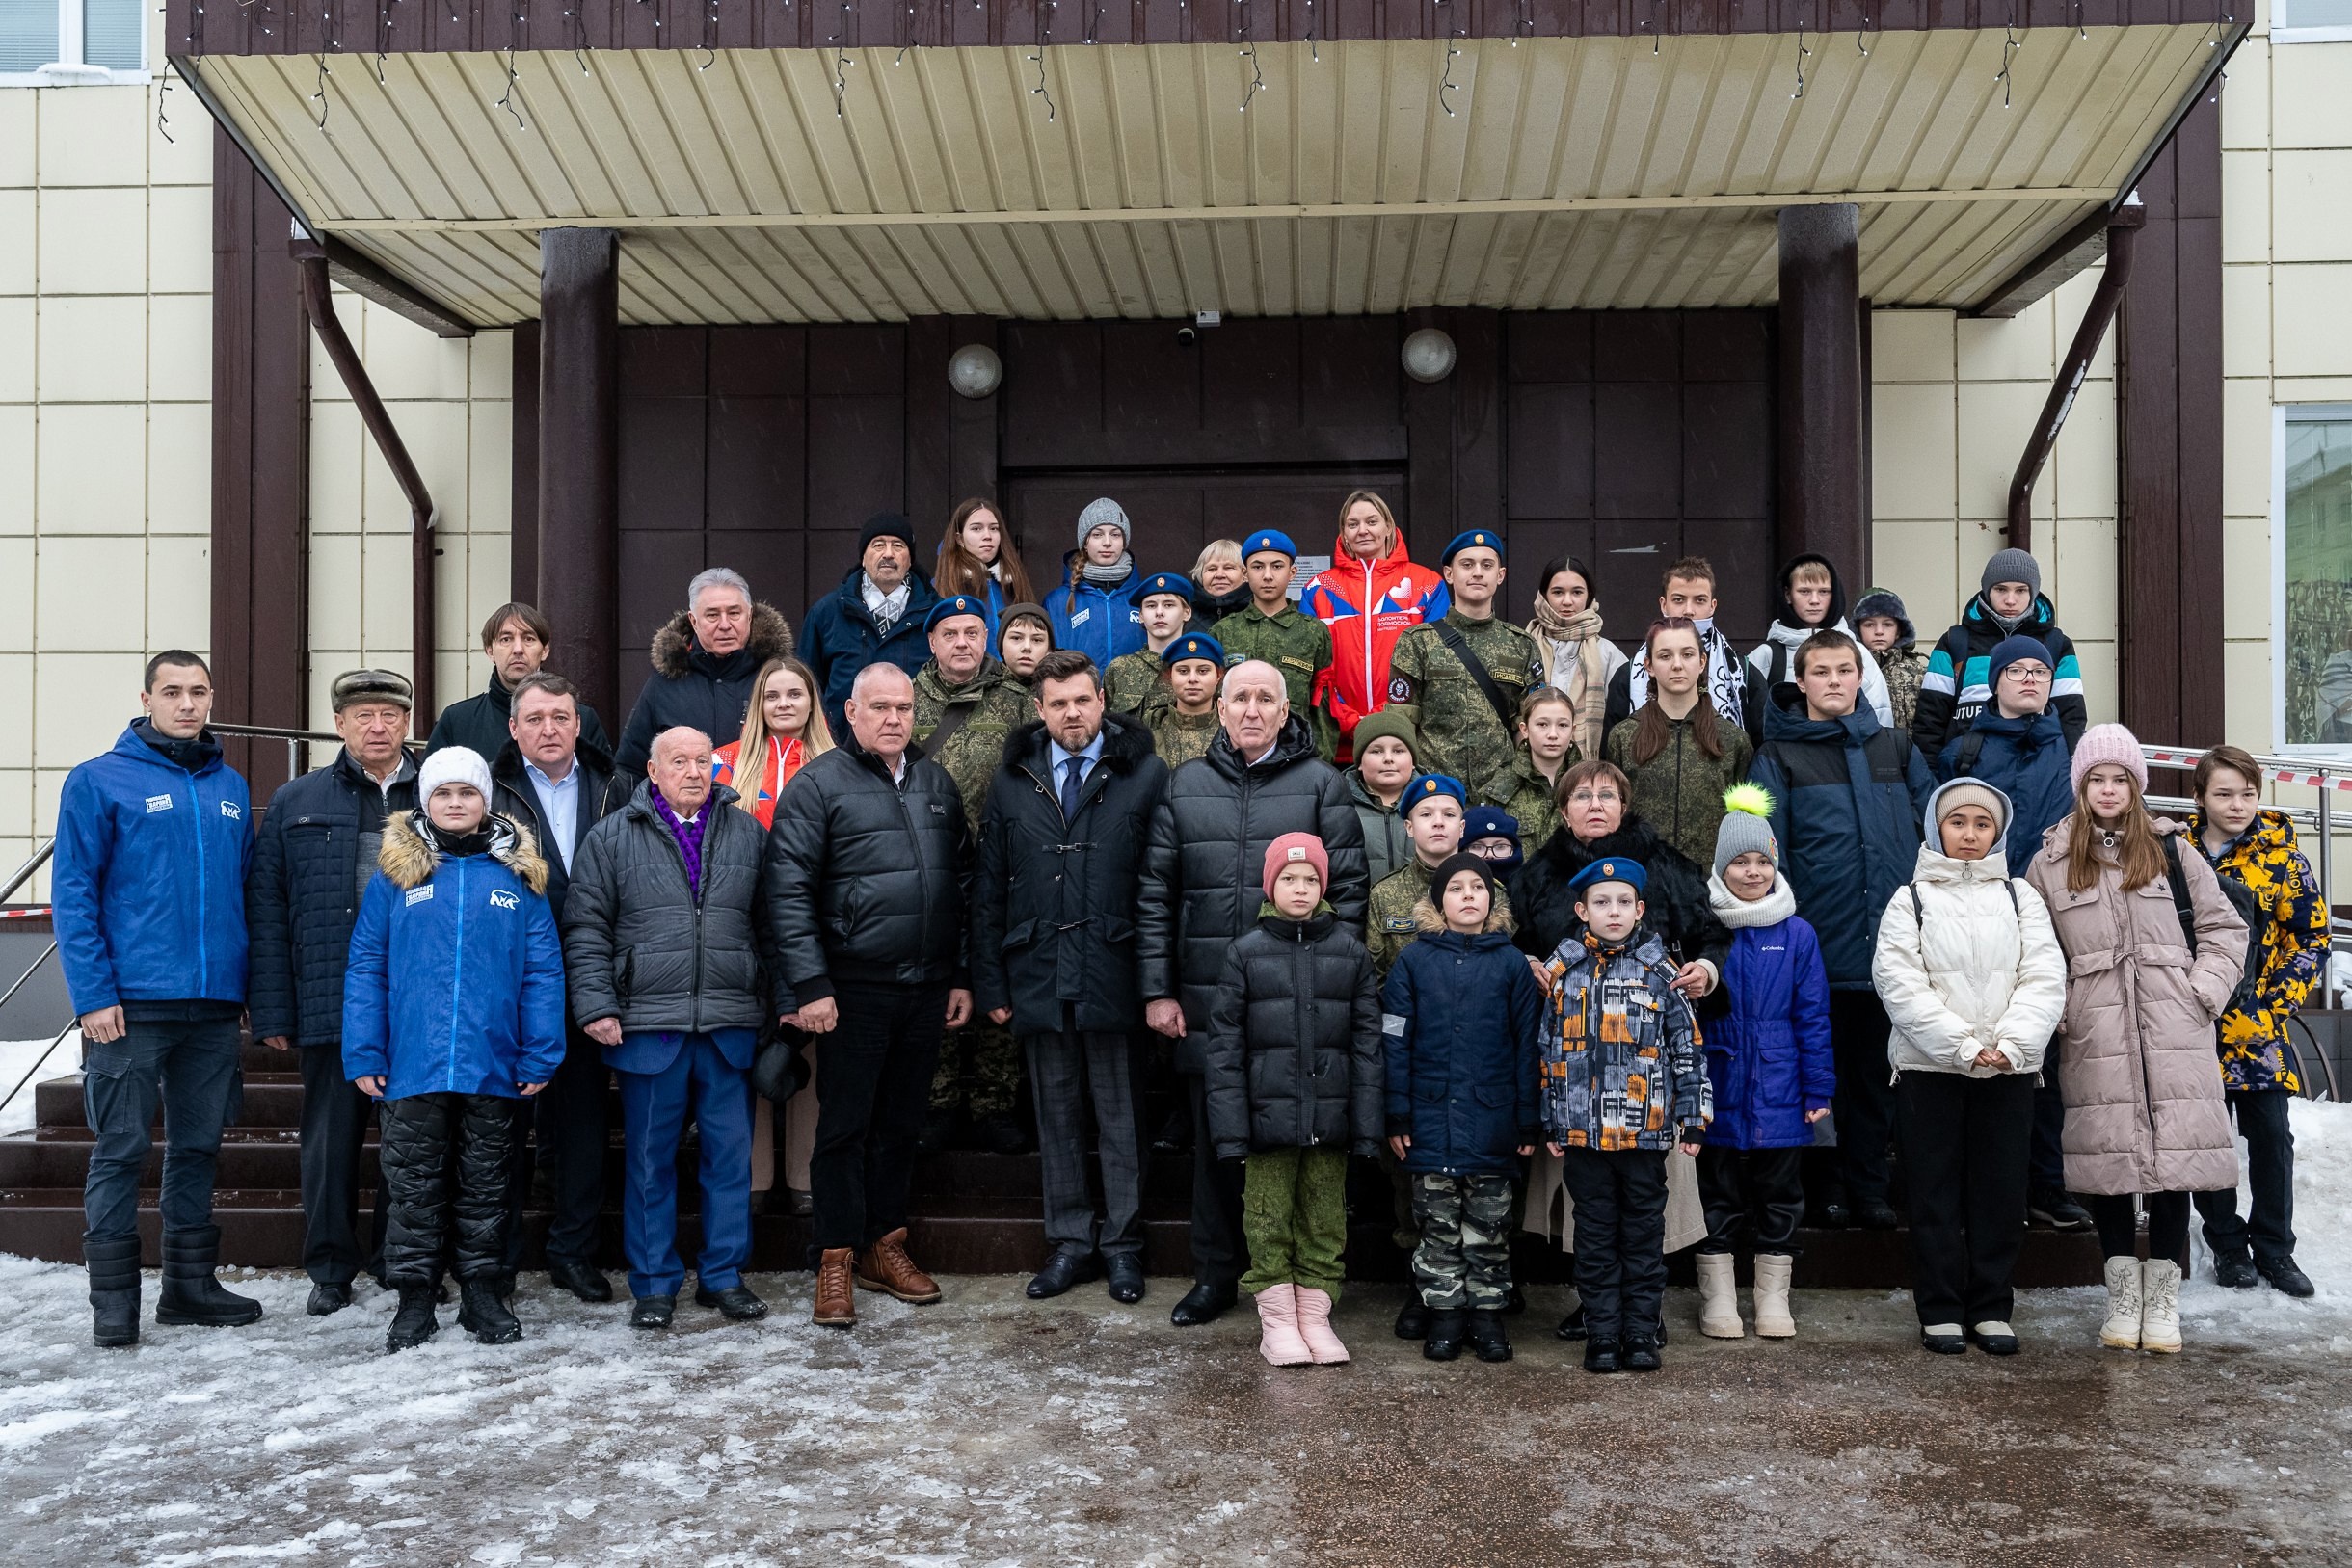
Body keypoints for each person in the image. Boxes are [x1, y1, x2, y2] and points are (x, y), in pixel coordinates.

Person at [1137, 659, 1369, 1328]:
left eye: (1266, 698)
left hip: (1299, 1007)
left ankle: (1301, 1284)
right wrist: (1158, 990)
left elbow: (1349, 891)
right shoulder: (1186, 783)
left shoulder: (1321, 783)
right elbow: (1156, 894)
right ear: (1220, 707)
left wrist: (1333, 986)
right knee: (1217, 1145)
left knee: (1296, 1151)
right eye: (1240, 697)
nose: (1252, 709)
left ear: (1285, 710)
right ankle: (1215, 1276)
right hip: (1207, 999)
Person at [56, 651, 260, 1348]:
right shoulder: (98, 780)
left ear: (212, 697)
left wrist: (245, 987)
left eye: (198, 691)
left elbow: (246, 892)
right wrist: (92, 993)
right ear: (146, 698)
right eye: (172, 691)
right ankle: (114, 1303)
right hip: (130, 1005)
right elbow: (74, 893)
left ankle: (189, 1287)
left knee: (198, 1147)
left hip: (212, 1004)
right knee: (121, 1147)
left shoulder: (230, 785)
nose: (187, 703)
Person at [762, 663, 974, 1331]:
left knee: (901, 1123)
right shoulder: (818, 784)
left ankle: (885, 1244)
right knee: (845, 1127)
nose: (893, 719)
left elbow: (964, 883)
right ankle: (834, 1256)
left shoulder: (936, 783)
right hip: (852, 988)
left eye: (903, 708)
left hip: (927, 986)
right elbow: (787, 892)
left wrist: (961, 973)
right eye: (879, 707)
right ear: (850, 713)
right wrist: (811, 984)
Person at [2022, 726, 2247, 1355]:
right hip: (2096, 1031)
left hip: (2175, 1026)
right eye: (2097, 779)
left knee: (2174, 1167)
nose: (2109, 789)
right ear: (2081, 786)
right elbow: (2036, 950)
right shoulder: (2049, 862)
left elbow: (2225, 929)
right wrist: (2064, 1011)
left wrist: (2201, 991)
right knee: (2111, 1166)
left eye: (2120, 778)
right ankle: (2123, 1301)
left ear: (2136, 785)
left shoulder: (2173, 850)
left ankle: (2163, 1303)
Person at [343, 748, 566, 1352]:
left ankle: (482, 1292)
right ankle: (415, 1297)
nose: (455, 803)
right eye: (443, 793)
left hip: (493, 1060)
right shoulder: (397, 875)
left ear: (485, 801)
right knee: (414, 1187)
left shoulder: (519, 877)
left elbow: (543, 970)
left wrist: (541, 1050)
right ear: (426, 802)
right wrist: (365, 1049)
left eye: (467, 793)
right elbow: (366, 965)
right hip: (414, 1061)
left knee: (487, 1185)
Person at [972, 651, 1169, 1303]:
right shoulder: (1013, 779)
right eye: (1058, 704)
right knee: (1055, 1116)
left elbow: (1162, 884)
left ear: (1102, 701)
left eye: (1082, 700)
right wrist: (991, 982)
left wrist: (1157, 983)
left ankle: (1123, 1247)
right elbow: (989, 887)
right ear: (1039, 709)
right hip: (1038, 968)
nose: (1072, 713)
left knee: (1121, 1118)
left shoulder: (1145, 773)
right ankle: (1071, 1244)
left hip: (1115, 968)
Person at [565, 726, 773, 1330]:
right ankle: (654, 1283)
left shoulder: (747, 833)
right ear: (652, 772)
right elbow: (586, 927)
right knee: (649, 1161)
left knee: (729, 1159)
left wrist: (774, 1003)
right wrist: (596, 1005)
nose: (693, 771)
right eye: (678, 761)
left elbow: (771, 924)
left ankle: (724, 1276)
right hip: (648, 1024)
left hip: (729, 1021)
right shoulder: (611, 837)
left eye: (702, 761)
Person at [1748, 630, 1938, 1231]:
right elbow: (1761, 853)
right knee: (1819, 1076)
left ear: (1861, 677)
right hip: (1815, 949)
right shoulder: (1775, 755)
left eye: (1844, 670)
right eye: (1821, 672)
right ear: (1801, 682)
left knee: (1877, 1078)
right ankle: (1826, 1186)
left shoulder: (1897, 748)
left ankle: (1870, 1188)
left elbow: (1936, 833)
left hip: (1891, 950)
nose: (1834, 681)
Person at [246, 667, 418, 1316]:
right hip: (329, 996)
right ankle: (329, 1267)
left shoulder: (437, 793)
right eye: (362, 715)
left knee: (412, 1142)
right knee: (329, 1144)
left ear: (407, 722)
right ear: (339, 723)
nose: (377, 726)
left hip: (415, 1000)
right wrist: (273, 1007)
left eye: (389, 714)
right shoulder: (296, 798)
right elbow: (268, 907)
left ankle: (399, 1259)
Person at [1874, 780, 2066, 1357]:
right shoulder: (1910, 899)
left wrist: (2014, 1044)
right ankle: (1939, 1310)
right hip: (1929, 1070)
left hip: (2008, 1070)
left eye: (1983, 824)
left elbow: (2044, 976)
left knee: (2001, 1191)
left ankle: (1990, 1308)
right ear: (1937, 828)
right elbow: (1898, 981)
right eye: (1957, 822)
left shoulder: (2020, 897)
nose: (1969, 834)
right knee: (1933, 1192)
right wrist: (1959, 1046)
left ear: (1998, 833)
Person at [1204, 834, 1383, 1367]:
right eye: (1289, 878)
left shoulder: (1349, 952)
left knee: (1324, 1217)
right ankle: (1278, 1321)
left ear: (1324, 887)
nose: (1300, 888)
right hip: (1268, 1120)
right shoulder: (1245, 953)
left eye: (1310, 879)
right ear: (1270, 886)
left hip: (1330, 1118)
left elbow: (1367, 1046)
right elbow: (1225, 1049)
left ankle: (1316, 1314)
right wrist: (1232, 1130)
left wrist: (1366, 1126)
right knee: (1267, 1216)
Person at [1938, 634, 2086, 1232]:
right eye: (2016, 670)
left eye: (2039, 671)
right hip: (1976, 916)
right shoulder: (1964, 750)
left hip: (2055, 916)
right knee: (1977, 1048)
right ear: (1994, 681)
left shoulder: (2072, 752)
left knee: (2044, 1053)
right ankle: (1982, 1190)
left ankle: (2047, 1184)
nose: (2029, 679)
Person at [1540, 858, 1710, 1374]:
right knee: (1593, 1239)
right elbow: (1547, 1052)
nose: (1612, 911)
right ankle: (1602, 1333)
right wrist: (1550, 1119)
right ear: (1582, 911)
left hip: (1644, 1132)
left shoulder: (1662, 974)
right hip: (1583, 1133)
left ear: (1639, 910)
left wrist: (1694, 1115)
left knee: (1641, 1238)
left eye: (1622, 902)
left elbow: (1687, 1048)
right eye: (1601, 902)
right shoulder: (1563, 975)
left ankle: (1640, 1332)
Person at [487, 671, 623, 1302]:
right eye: (536, 718)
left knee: (584, 1124)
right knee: (503, 1125)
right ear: (514, 728)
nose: (550, 729)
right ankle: (497, 1258)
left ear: (578, 724)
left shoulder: (614, 785)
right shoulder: (489, 792)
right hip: (510, 985)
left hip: (593, 979)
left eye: (561, 717)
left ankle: (574, 1251)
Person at [1382, 853, 1545, 1365]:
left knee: (1489, 1228)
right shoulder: (1413, 962)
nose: (1468, 895)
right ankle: (1446, 1315)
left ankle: (1487, 1315)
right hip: (1429, 1120)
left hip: (1493, 1120)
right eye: (1456, 888)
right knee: (1437, 1228)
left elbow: (1528, 1046)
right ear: (1438, 902)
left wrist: (1527, 1119)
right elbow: (1394, 1040)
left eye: (1478, 887)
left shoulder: (1512, 964)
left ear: (1492, 901)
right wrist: (1397, 1113)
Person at [1694, 785, 1831, 1342]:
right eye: (1739, 863)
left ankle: (1773, 1297)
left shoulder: (1797, 933)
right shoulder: (1705, 929)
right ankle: (1719, 1297)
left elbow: (1813, 1015)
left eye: (1762, 862)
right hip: (1718, 1075)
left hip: (1782, 1079)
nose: (1752, 873)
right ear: (1720, 868)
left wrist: (1818, 1088)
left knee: (1780, 1193)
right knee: (1717, 1190)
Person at [2188, 746, 2326, 1298]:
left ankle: (2275, 1248)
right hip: (2191, 1024)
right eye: (2223, 794)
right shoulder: (2177, 855)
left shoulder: (2282, 859)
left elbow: (2311, 937)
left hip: (2256, 1028)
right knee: (2204, 1140)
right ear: (2200, 797)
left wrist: (2274, 1003)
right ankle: (2226, 1244)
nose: (2237, 805)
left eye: (2247, 794)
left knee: (2270, 1136)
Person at [912, 595, 1034, 1152]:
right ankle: (935, 1101)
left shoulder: (1018, 700)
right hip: (925, 863)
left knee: (994, 973)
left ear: (987, 639)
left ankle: (993, 1103)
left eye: (972, 633)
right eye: (950, 634)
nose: (962, 643)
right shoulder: (907, 698)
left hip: (1000, 863)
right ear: (932, 642)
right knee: (936, 972)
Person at [1384, 530, 1539, 807]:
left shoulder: (1521, 645)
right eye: (1467, 565)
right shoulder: (1417, 642)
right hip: (1435, 791)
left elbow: (1530, 727)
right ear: (1449, 574)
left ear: (1500, 575)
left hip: (1504, 795)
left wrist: (1514, 782)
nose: (1477, 572)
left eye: (1487, 565)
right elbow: (1401, 724)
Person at [1300, 491, 1446, 760]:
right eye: (1353, 524)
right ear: (1344, 533)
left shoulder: (1426, 584)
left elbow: (1433, 663)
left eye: (1372, 521)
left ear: (1388, 527)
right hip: (1335, 741)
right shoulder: (1318, 588)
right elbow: (1314, 670)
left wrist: (1386, 716)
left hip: (1404, 739)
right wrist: (1348, 720)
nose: (1362, 530)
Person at [614, 566, 795, 777]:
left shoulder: (782, 677)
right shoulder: (665, 682)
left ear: (749, 615)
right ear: (694, 621)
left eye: (734, 613)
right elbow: (630, 768)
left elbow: (818, 754)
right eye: (712, 615)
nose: (725, 625)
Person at [1606, 619, 1755, 871]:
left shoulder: (1732, 740)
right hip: (1642, 882)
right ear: (1649, 666)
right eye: (1665, 656)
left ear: (1702, 662)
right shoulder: (1624, 736)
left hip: (1711, 884)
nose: (1677, 665)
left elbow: (1744, 824)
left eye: (1687, 654)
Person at [1914, 548, 2088, 760]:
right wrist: (1931, 775)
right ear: (1987, 590)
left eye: (2021, 590)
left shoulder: (2057, 644)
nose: (2010, 600)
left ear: (2033, 592)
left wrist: (2070, 771)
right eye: (2001, 589)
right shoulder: (1954, 641)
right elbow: (1930, 719)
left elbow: (2072, 718)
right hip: (1966, 766)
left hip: (2038, 766)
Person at [799, 514, 946, 738]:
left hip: (918, 748)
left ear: (910, 559)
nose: (888, 554)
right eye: (878, 545)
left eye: (898, 545)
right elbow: (805, 686)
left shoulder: (936, 615)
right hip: (840, 748)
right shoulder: (827, 612)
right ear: (863, 557)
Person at [1602, 556, 1768, 744]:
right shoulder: (1627, 676)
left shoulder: (1743, 674)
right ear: (1664, 604)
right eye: (1679, 600)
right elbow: (1612, 751)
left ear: (1712, 606)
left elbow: (1762, 746)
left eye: (1700, 600)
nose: (1689, 610)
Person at [1368, 773, 1512, 984]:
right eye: (1426, 814)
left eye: (1449, 815)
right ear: (1409, 827)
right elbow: (1374, 978)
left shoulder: (1491, 893)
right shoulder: (1384, 895)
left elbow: (1507, 968)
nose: (1438, 823)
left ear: (1462, 828)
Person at [428, 601, 610, 759]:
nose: (518, 649)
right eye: (506, 639)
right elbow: (429, 785)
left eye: (528, 639)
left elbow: (605, 784)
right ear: (490, 651)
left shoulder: (581, 718)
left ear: (545, 650)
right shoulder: (458, 721)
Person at [1213, 529, 1338, 757]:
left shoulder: (1313, 632)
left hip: (1296, 756)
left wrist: (1320, 761)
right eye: (1258, 567)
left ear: (1292, 573)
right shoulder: (1223, 631)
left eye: (1277, 566)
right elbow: (1213, 702)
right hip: (1235, 757)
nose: (1267, 575)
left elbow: (1322, 706)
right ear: (1245, 574)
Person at [1746, 554, 1893, 725]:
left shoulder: (1857, 652)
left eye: (1823, 591)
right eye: (1804, 591)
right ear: (1788, 595)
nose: (1814, 601)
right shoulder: (1767, 655)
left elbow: (1879, 714)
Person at [710, 656, 834, 831]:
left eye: (795, 694)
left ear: (812, 703)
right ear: (759, 705)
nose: (783, 704)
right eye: (772, 696)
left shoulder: (839, 766)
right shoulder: (720, 761)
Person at [1524, 554, 1626, 762]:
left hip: (1590, 771)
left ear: (1589, 596)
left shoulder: (1608, 654)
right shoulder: (1523, 646)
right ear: (1544, 595)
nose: (1567, 601)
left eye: (1577, 592)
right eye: (1558, 592)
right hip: (1530, 768)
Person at [1044, 497, 1150, 667]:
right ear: (1085, 542)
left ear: (1124, 542)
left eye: (1115, 534)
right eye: (1097, 534)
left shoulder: (1146, 597)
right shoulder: (1056, 601)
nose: (1107, 542)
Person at [1488, 685, 1582, 856]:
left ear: (1572, 730)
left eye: (1562, 725)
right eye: (1542, 724)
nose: (1553, 734)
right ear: (1525, 730)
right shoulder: (1500, 789)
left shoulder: (1589, 784)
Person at [931, 495, 1038, 638]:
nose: (987, 536)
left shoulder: (1015, 583)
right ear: (960, 539)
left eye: (994, 528)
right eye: (976, 528)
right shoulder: (939, 587)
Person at [1345, 709, 1421, 885]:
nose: (1388, 759)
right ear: (1359, 762)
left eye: (1398, 751)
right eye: (1376, 751)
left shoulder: (1435, 803)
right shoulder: (1339, 804)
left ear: (1413, 761)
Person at [1105, 571, 1194, 716]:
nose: (1159, 612)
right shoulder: (1120, 669)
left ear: (1186, 613)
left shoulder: (1199, 667)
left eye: (1168, 605)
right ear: (1140, 615)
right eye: (1151, 606)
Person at [1854, 587, 1931, 733]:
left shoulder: (1920, 674)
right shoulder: (1848, 671)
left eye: (1887, 624)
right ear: (1857, 629)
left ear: (1899, 631)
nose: (1879, 631)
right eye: (1869, 624)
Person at [1149, 632, 1226, 769]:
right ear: (1170, 676)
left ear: (1218, 676)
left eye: (1203, 671)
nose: (1192, 679)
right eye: (1183, 671)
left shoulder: (1231, 730)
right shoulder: (1151, 727)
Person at [1190, 538, 1251, 625]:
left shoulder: (1260, 611)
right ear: (1201, 575)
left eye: (1228, 568)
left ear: (1245, 574)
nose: (1219, 575)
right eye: (1212, 569)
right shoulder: (1184, 615)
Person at [998, 601, 1056, 682]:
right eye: (1016, 638)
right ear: (1002, 647)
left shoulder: (1065, 686)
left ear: (1049, 650)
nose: (1027, 647)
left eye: (1037, 640)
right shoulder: (984, 687)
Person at [1461, 805, 1523, 876]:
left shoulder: (1530, 882)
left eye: (1500, 846)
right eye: (1477, 847)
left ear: (1513, 849)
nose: (1490, 855)